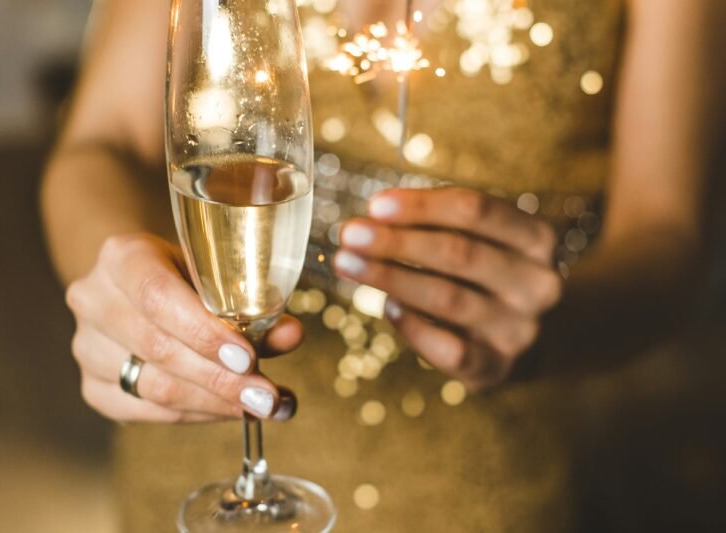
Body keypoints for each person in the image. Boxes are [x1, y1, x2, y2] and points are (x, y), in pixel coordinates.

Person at [41, 0, 725, 531]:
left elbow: (667, 230)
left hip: (479, 487)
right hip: (201, 475)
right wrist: (132, 300)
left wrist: (562, 323)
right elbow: (105, 141)